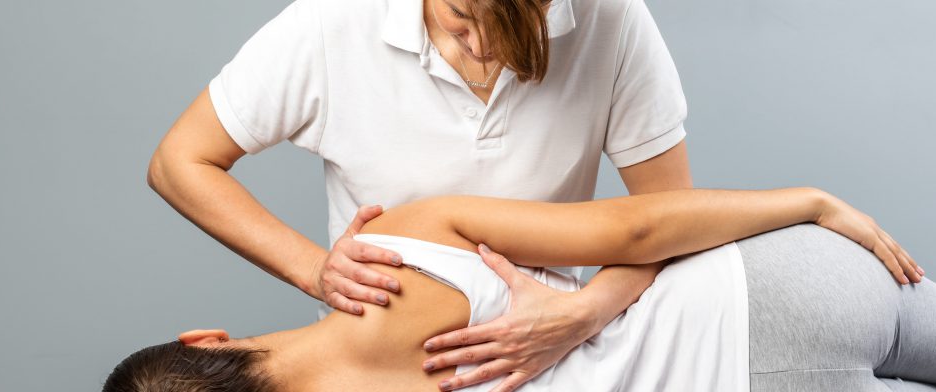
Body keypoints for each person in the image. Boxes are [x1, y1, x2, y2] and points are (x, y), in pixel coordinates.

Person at [148, 0, 797, 389]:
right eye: (462, 15)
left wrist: (586, 312)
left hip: (552, 352)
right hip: (386, 362)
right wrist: (315, 270)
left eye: (518, 24)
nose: (484, 45)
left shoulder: (609, 18)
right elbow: (181, 160)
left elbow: (663, 218)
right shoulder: (334, 23)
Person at [104, 188, 936, 391]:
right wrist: (809, 201)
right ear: (204, 338)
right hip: (774, 291)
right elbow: (638, 232)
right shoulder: (396, 246)